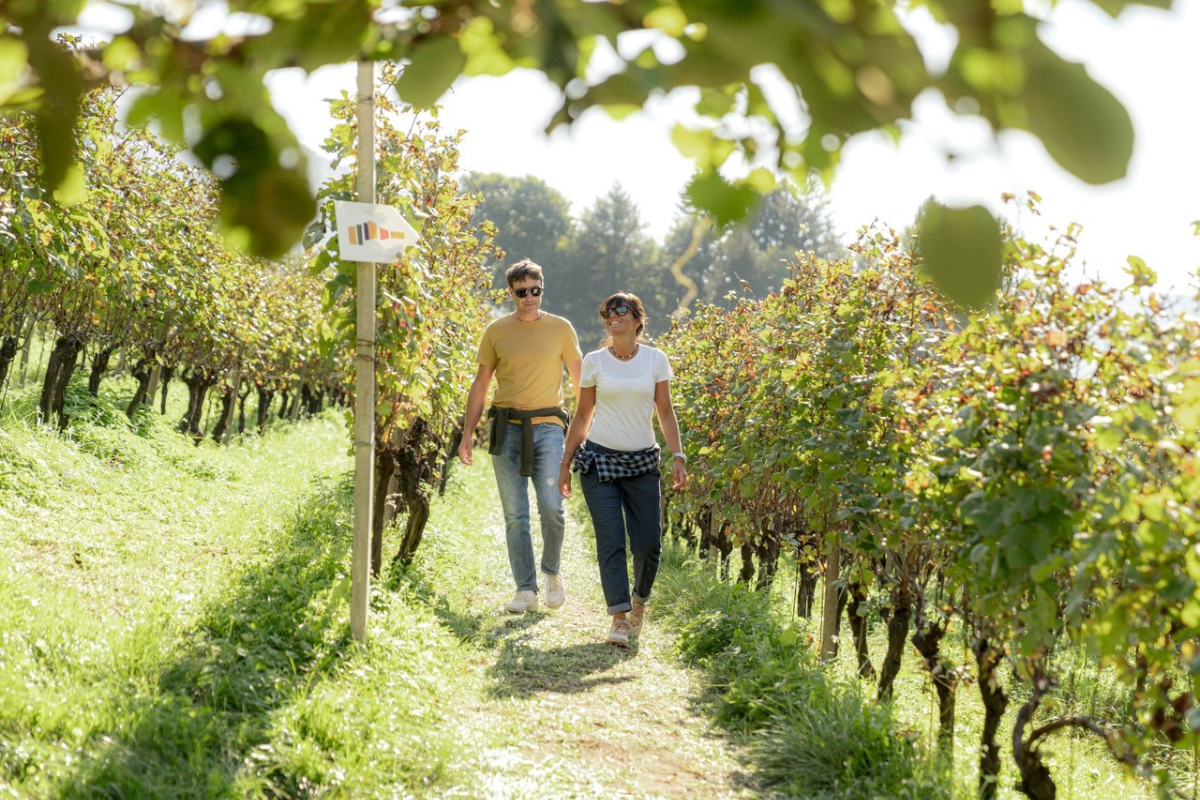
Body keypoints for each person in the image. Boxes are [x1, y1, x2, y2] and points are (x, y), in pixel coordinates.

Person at [557, 292, 687, 647]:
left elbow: (664, 411)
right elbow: (583, 415)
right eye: (606, 311)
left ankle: (638, 601)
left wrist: (678, 455)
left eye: (621, 310)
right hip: (599, 462)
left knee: (648, 545)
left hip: (643, 462)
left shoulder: (655, 359)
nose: (613, 315)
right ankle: (618, 617)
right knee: (611, 540)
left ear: (637, 319)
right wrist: (566, 462)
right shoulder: (595, 361)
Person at [460, 260, 583, 613]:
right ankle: (525, 590)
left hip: (548, 427)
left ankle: (552, 573)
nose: (529, 297)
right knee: (515, 514)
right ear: (511, 292)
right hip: (507, 427)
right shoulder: (496, 331)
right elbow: (481, 384)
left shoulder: (561, 329)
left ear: (543, 288)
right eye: (522, 292)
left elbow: (579, 382)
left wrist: (584, 430)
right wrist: (468, 433)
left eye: (535, 290)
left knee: (552, 506)